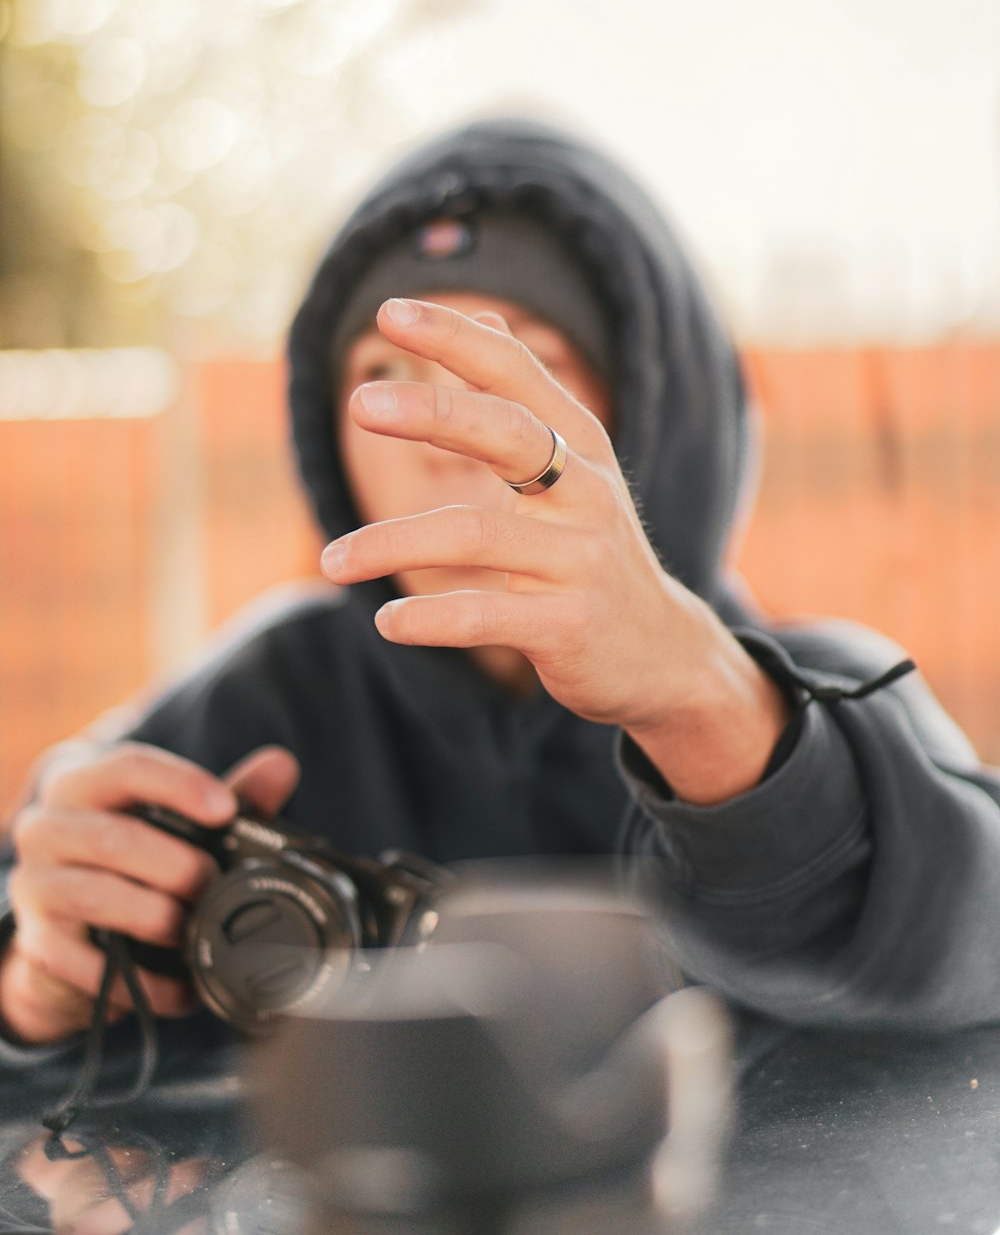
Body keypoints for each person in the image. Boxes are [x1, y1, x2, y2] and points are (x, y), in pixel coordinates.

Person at [1, 117, 999, 1056]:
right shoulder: (263, 701)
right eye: (388, 370)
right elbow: (44, 917)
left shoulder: (828, 698)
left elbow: (970, 938)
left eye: (521, 362)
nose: (441, 430)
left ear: (651, 410)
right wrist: (35, 981)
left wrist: (705, 702)